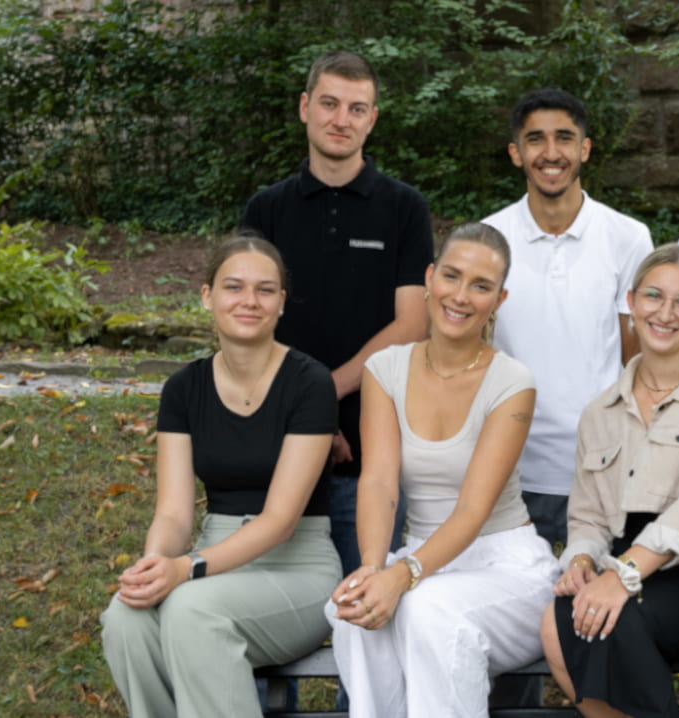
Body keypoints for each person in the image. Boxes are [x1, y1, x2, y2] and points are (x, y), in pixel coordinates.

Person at [100, 236, 342, 718]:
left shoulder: (310, 383)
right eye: (234, 287)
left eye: (265, 290)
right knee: (126, 616)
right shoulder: (183, 389)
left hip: (297, 569)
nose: (249, 301)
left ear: (280, 304)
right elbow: (172, 512)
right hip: (213, 558)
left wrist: (186, 570)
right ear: (208, 296)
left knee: (194, 612)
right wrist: (155, 565)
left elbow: (280, 521)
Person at [325, 222, 559, 717]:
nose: (461, 296)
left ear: (500, 299)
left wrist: (404, 574)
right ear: (429, 278)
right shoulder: (385, 368)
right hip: (425, 556)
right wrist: (373, 568)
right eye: (451, 276)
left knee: (429, 610)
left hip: (504, 565)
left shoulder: (512, 382)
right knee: (356, 609)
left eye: (481, 286)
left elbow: (474, 509)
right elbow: (379, 480)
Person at [540, 244, 679, 717]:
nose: (666, 313)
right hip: (627, 569)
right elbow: (587, 515)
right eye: (654, 296)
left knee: (606, 619)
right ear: (632, 302)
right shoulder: (599, 411)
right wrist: (581, 558)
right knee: (568, 616)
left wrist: (621, 577)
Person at [239, 50, 434, 575]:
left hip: (371, 457)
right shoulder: (266, 210)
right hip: (276, 449)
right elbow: (246, 322)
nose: (340, 119)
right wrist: (304, 417)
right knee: (272, 618)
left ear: (372, 119)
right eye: (329, 103)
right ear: (305, 107)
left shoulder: (403, 209)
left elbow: (414, 324)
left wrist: (320, 399)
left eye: (356, 108)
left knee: (366, 611)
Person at [482, 88, 653, 554]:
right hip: (511, 468)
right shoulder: (490, 240)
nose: (551, 153)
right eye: (536, 140)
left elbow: (639, 361)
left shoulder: (628, 237)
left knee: (592, 612)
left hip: (604, 467)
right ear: (516, 153)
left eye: (564, 138)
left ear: (585, 148)